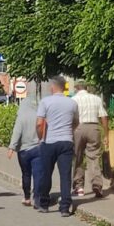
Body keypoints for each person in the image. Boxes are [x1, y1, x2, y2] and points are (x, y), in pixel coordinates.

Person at [36, 76, 79, 216]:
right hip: (66, 141)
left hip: (49, 142)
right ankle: (65, 207)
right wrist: (68, 132)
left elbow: (39, 123)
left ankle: (44, 203)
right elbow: (76, 122)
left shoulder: (45, 101)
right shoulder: (72, 103)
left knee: (45, 174)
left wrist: (40, 137)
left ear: (53, 87)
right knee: (65, 175)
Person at [72, 82, 109, 198]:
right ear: (86, 87)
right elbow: (103, 117)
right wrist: (106, 134)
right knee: (94, 157)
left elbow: (71, 117)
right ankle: (97, 184)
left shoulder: (73, 100)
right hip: (93, 128)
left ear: (76, 88)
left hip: (78, 128)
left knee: (77, 157)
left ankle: (79, 187)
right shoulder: (96, 99)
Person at [8, 98, 43, 207]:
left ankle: (27, 198)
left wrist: (11, 148)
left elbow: (16, 133)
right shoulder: (38, 115)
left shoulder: (21, 117)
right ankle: (37, 199)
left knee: (26, 174)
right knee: (38, 174)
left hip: (23, 151)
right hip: (38, 148)